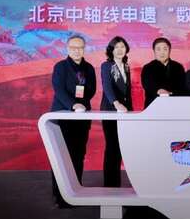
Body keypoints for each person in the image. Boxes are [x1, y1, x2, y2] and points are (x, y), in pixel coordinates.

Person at [50, 34, 96, 207]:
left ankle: (75, 191)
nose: (77, 51)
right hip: (63, 116)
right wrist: (73, 105)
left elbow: (92, 90)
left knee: (78, 154)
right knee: (61, 155)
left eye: (80, 48)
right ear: (67, 49)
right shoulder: (60, 67)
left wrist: (81, 103)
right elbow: (59, 90)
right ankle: (60, 195)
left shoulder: (89, 68)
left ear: (84, 49)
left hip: (82, 116)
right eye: (73, 48)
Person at [100, 36, 133, 188]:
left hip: (125, 112)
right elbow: (107, 87)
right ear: (111, 50)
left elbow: (127, 91)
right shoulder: (106, 65)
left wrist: (130, 110)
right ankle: (110, 184)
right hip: (110, 110)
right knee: (112, 146)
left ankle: (116, 184)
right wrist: (116, 103)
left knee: (120, 147)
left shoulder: (126, 66)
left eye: (122, 47)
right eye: (116, 47)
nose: (120, 50)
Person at [140, 37, 187, 108]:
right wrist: (158, 90)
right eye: (158, 49)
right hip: (153, 106)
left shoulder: (178, 67)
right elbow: (148, 85)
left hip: (175, 105)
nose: (162, 52)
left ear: (169, 50)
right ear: (154, 51)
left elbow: (182, 87)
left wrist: (171, 93)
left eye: (165, 49)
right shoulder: (148, 68)